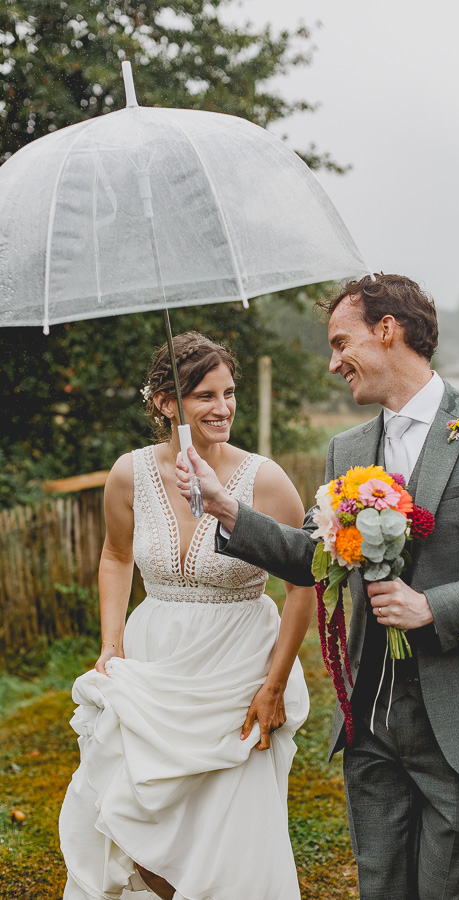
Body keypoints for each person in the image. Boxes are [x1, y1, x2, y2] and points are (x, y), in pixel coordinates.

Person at [176, 275, 459, 900]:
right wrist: (226, 509)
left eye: (341, 343)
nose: (333, 363)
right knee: (379, 888)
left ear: (388, 330)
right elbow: (314, 556)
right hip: (371, 714)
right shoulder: (348, 448)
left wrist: (431, 606)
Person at [59, 332, 313, 900]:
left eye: (228, 394)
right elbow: (115, 556)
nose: (222, 408)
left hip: (238, 668)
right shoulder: (130, 474)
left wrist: (274, 685)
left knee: (225, 833)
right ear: (166, 404)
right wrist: (111, 642)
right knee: (141, 818)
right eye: (204, 395)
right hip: (154, 661)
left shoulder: (263, 480)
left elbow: (305, 581)